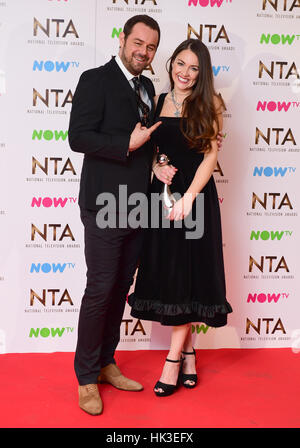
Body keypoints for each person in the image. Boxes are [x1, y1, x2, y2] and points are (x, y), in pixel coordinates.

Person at [68, 15, 161, 415]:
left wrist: (155, 164)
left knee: (120, 289)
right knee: (100, 289)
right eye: (137, 42)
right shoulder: (95, 79)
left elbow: (145, 144)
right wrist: (126, 142)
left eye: (151, 47)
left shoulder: (148, 85)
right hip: (104, 204)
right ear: (122, 39)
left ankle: (107, 362)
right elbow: (78, 137)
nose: (143, 51)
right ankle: (86, 378)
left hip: (136, 206)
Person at [129, 39, 233, 396]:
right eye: (180, 64)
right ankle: (189, 352)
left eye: (194, 68)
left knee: (188, 275)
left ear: (202, 74)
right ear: (171, 63)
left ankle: (172, 360)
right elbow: (157, 150)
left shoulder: (211, 103)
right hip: (163, 199)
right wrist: (158, 166)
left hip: (196, 200)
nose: (185, 73)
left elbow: (209, 156)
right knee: (175, 277)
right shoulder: (157, 101)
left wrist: (189, 199)